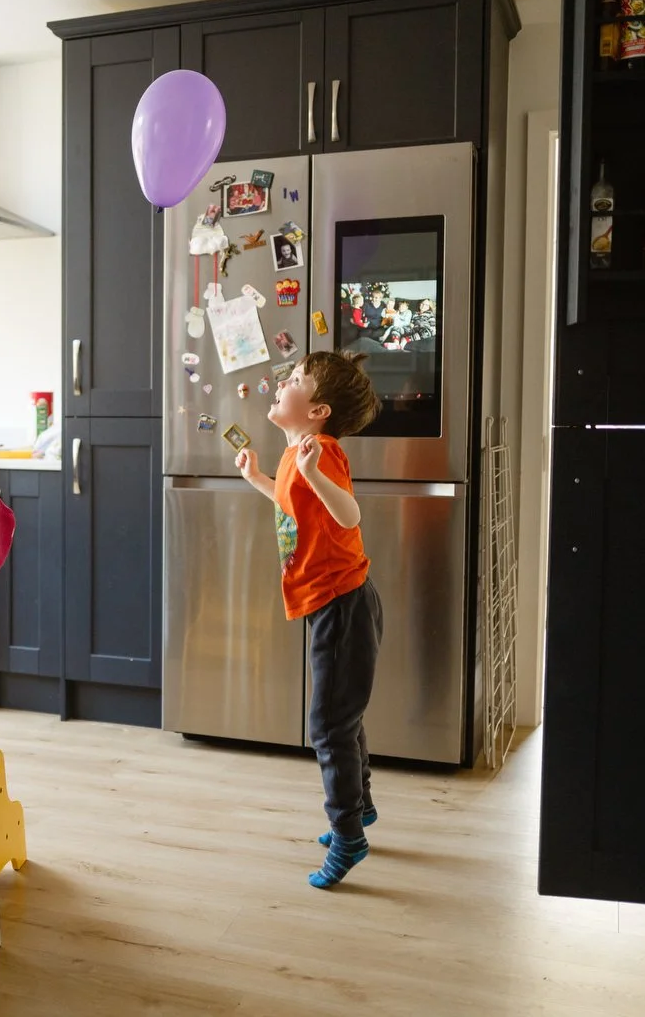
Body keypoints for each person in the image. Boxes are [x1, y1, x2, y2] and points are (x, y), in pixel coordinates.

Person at [235, 351, 384, 889]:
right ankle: (360, 807)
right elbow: (292, 503)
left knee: (328, 727)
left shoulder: (322, 451)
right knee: (343, 717)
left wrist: (313, 470)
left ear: (318, 409)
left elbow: (349, 513)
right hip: (331, 604)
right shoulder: (301, 453)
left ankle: (348, 836)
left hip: (342, 606)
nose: (283, 381)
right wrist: (260, 478)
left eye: (295, 379)